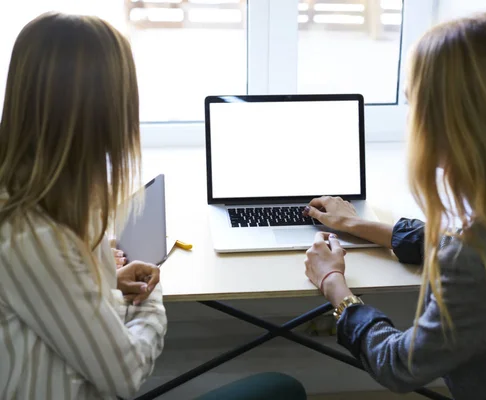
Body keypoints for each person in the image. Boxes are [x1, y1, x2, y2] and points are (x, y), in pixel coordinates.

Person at [0, 13, 306, 400]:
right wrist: (151, 297)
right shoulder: (36, 235)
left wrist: (108, 279)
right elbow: (125, 376)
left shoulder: (46, 198)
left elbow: (51, 295)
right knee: (282, 390)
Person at [302, 11, 486, 400]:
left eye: (411, 103)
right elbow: (468, 245)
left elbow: (399, 365)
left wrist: (334, 284)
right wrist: (358, 226)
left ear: (443, 119)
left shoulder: (481, 256)